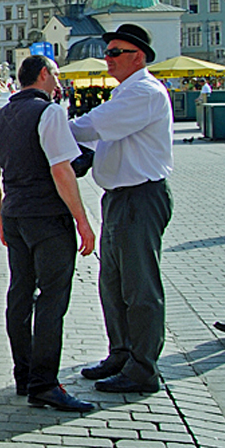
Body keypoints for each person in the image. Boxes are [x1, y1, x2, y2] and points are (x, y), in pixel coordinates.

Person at [0, 55, 96, 413]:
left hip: (16, 215)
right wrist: (82, 218)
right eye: (56, 75)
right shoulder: (50, 113)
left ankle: (24, 373)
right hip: (47, 216)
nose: (58, 83)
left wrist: (0, 218)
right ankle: (45, 383)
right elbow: (62, 170)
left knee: (19, 293)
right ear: (44, 75)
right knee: (51, 298)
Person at [71, 24, 173, 394]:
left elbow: (93, 127)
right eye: (108, 51)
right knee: (112, 283)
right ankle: (123, 352)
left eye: (115, 52)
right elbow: (104, 141)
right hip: (120, 197)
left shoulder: (143, 92)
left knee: (139, 286)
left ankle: (143, 368)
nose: (108, 58)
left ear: (138, 57)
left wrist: (50, 127)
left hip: (139, 197)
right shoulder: (127, 92)